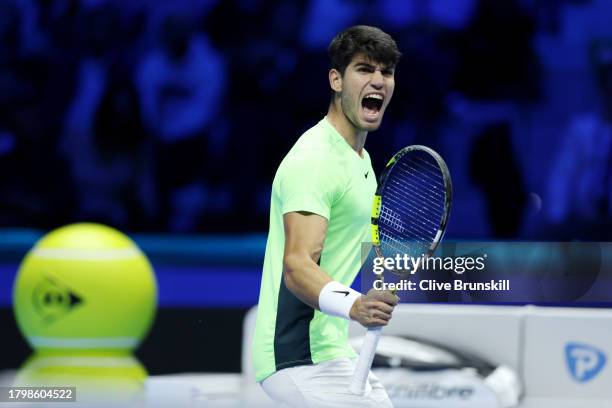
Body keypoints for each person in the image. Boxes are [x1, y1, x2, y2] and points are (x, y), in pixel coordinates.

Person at [252, 25, 401, 407]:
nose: (379, 81)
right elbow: (298, 265)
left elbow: (342, 254)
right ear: (336, 79)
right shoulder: (315, 159)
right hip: (296, 356)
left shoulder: (362, 162)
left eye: (386, 72)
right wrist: (354, 305)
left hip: (331, 349)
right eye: (364, 69)